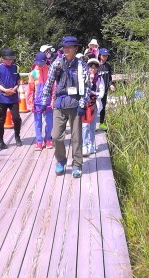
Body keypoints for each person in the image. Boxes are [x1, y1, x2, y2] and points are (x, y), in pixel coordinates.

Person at [39, 35, 90, 178]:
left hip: (75, 105)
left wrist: (82, 104)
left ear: (75, 48)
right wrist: (44, 101)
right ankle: (61, 160)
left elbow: (87, 86)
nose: (66, 50)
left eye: (69, 47)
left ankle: (77, 164)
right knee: (56, 136)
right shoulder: (57, 63)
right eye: (64, 47)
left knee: (76, 137)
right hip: (60, 104)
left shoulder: (82, 65)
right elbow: (49, 83)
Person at [0, 47, 23, 149]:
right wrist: (5, 90)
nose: (10, 61)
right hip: (2, 97)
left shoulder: (16, 67)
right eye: (7, 59)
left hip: (13, 97)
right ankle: (0, 141)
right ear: (2, 58)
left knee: (16, 118)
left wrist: (14, 89)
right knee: (1, 120)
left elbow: (18, 81)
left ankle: (17, 137)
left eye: (11, 59)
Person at [27, 51, 54, 151]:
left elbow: (54, 87)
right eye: (38, 63)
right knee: (37, 123)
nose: (40, 65)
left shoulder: (50, 71)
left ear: (46, 61)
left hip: (48, 101)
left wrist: (53, 99)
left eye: (42, 63)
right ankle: (39, 141)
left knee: (50, 122)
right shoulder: (33, 73)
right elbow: (30, 89)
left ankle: (48, 139)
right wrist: (30, 103)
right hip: (37, 102)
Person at [82, 57, 104, 156]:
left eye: (95, 67)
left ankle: (91, 144)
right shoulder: (84, 77)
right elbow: (82, 90)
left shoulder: (99, 78)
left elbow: (102, 92)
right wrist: (90, 81)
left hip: (94, 104)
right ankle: (84, 145)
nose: (93, 69)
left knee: (92, 126)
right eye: (91, 67)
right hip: (85, 105)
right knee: (85, 126)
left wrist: (94, 94)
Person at [97, 48, 115, 131]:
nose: (105, 57)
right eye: (103, 55)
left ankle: (101, 123)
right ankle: (93, 124)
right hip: (96, 90)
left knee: (103, 106)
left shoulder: (108, 66)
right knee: (94, 106)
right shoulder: (96, 65)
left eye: (106, 56)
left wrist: (111, 85)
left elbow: (109, 78)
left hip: (105, 90)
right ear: (100, 55)